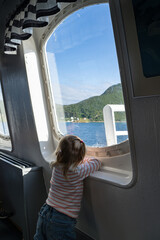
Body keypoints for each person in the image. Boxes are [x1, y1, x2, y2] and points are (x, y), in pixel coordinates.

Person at [34, 135, 102, 240]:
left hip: (46, 211)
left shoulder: (56, 167)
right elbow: (96, 163)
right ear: (80, 157)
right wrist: (83, 160)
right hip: (62, 219)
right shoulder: (77, 172)